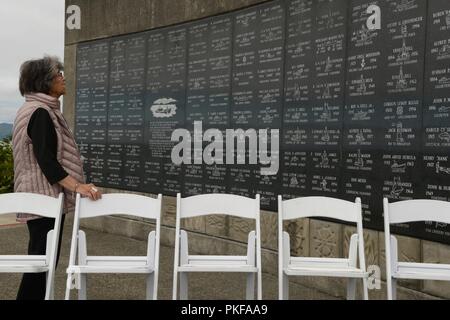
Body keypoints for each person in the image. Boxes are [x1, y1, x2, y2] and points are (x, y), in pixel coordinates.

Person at [12, 56, 102, 300]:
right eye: (58, 74)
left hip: (37, 196)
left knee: (40, 262)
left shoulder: (32, 109)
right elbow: (47, 161)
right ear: (44, 82)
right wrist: (78, 186)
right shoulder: (41, 113)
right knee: (41, 265)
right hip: (43, 198)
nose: (63, 78)